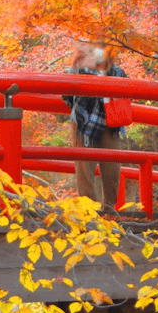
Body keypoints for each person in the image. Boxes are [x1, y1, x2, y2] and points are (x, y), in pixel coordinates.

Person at [61, 45, 127, 209]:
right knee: (84, 171)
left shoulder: (117, 72)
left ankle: (110, 210)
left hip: (111, 123)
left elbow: (128, 94)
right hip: (84, 123)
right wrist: (79, 110)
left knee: (112, 170)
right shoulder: (79, 69)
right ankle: (89, 211)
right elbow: (65, 92)